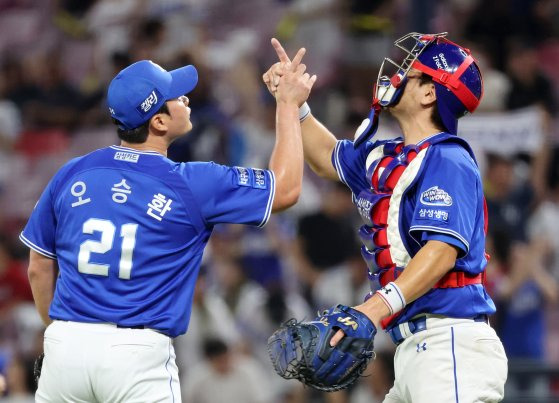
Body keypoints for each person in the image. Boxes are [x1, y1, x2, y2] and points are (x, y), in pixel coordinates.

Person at [19, 50, 316, 402]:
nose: (186, 97)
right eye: (175, 96)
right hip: (135, 355)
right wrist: (288, 103)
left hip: (66, 346)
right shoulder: (191, 182)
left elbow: (39, 268)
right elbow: (286, 189)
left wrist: (61, 338)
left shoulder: (71, 172)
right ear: (158, 122)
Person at [263, 33, 508, 402]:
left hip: (450, 344)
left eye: (411, 71)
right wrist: (293, 103)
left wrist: (374, 309)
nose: (396, 74)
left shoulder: (448, 158)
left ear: (430, 94)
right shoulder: (389, 156)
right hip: (413, 350)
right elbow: (326, 156)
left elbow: (442, 251)